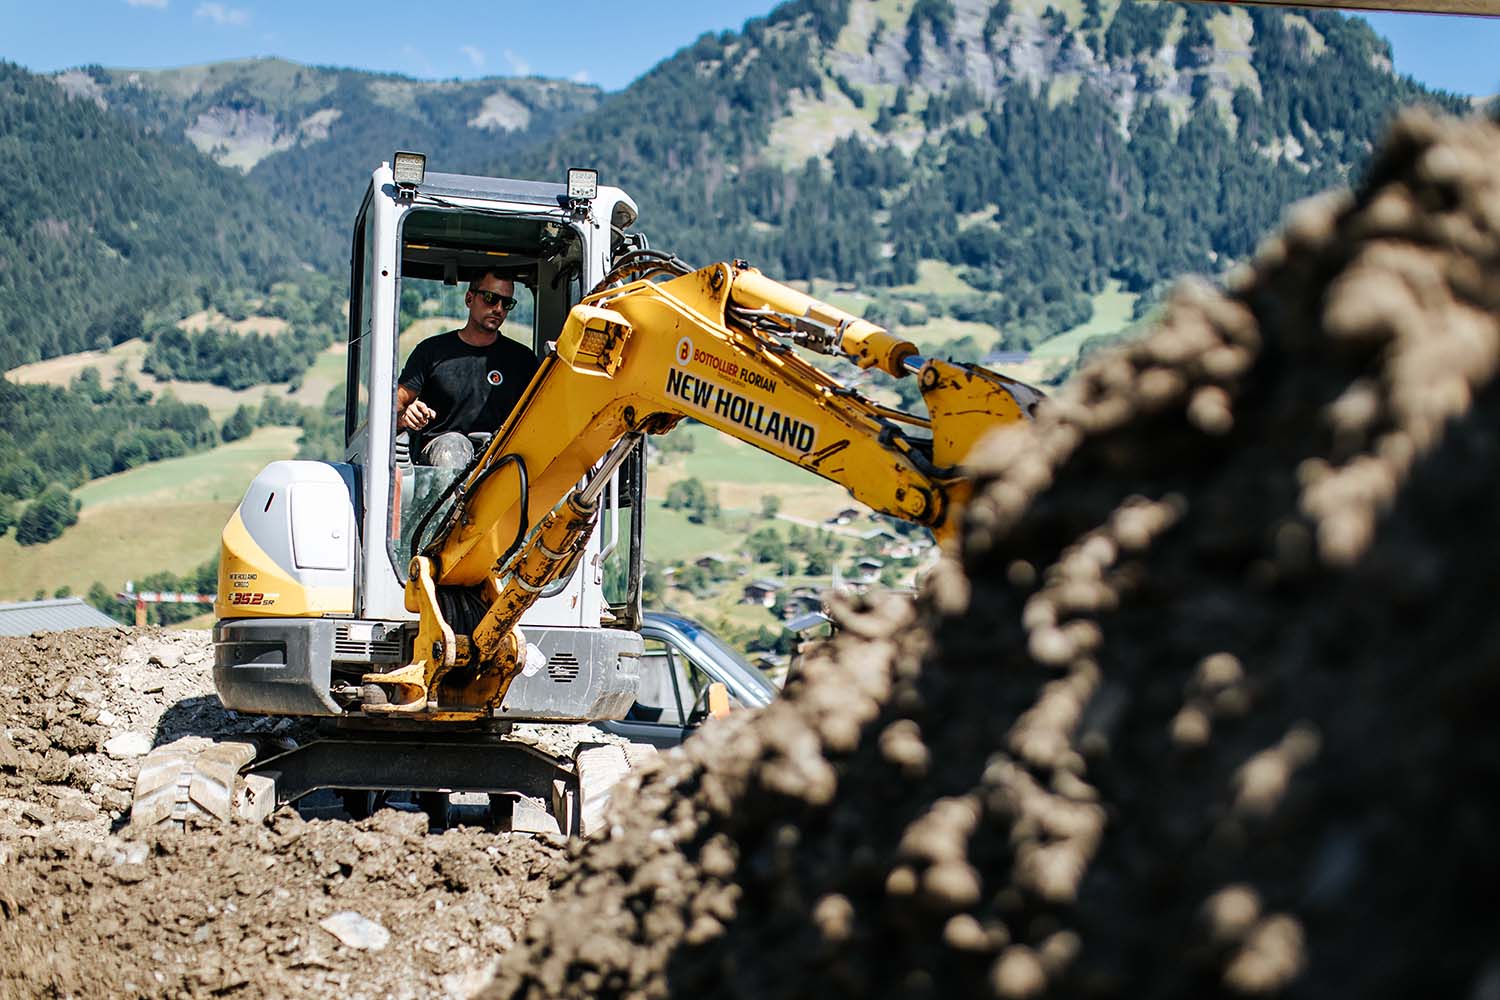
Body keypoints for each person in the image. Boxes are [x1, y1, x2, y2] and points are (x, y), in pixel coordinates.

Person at [396, 271, 540, 467]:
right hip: (440, 459)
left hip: (500, 458)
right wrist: (405, 415)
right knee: (452, 448)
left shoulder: (522, 360)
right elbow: (394, 405)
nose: (498, 309)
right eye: (491, 298)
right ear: (469, 298)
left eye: (507, 304)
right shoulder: (432, 351)